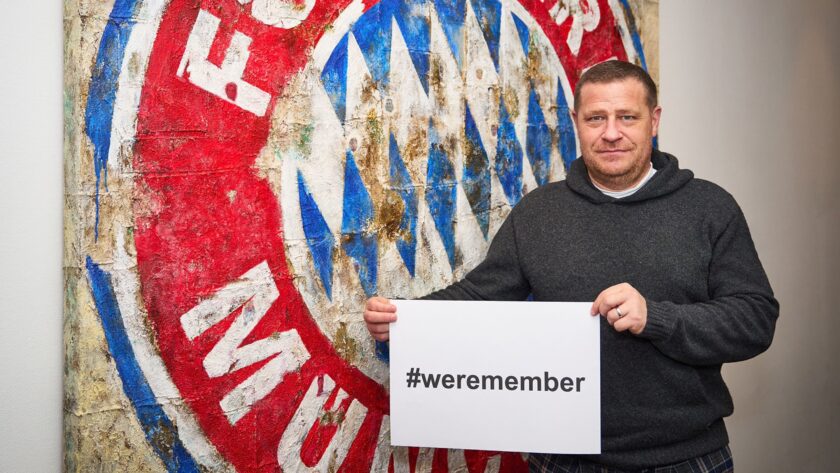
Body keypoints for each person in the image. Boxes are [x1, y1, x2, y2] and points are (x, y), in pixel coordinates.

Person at [363, 60, 778, 472]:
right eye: (596, 118)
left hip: (686, 458)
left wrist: (657, 317)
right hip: (562, 459)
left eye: (627, 117)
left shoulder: (709, 208)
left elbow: (755, 320)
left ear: (653, 121)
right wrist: (406, 317)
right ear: (576, 122)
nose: (611, 132)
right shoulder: (538, 213)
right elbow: (479, 295)